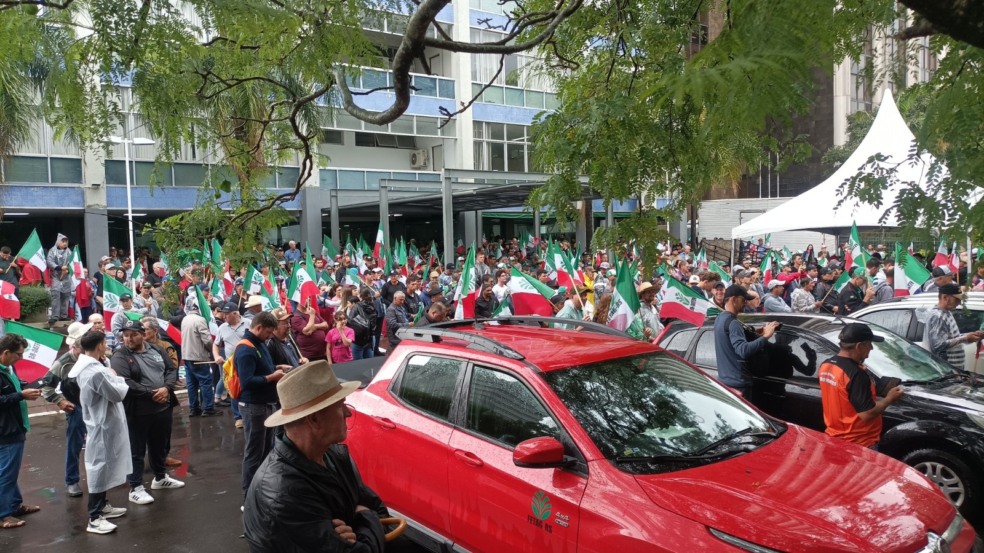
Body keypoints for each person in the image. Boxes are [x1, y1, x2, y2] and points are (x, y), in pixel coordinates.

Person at [243, 360, 384, 553]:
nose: (348, 413)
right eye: (340, 405)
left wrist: (361, 521)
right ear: (315, 419)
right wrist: (365, 517)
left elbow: (378, 508)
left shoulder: (332, 454)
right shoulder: (283, 492)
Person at [110, 320, 184, 506]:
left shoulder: (156, 350)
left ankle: (160, 477)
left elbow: (171, 369)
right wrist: (151, 394)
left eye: (133, 334)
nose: (128, 339)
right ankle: (135, 487)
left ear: (143, 334)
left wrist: (166, 388)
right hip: (138, 411)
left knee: (159, 445)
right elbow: (125, 381)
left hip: (162, 407)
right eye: (125, 335)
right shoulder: (120, 356)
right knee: (137, 450)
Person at [67, 330, 131, 534]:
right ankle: (94, 517)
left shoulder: (85, 365)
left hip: (101, 420)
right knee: (98, 466)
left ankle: (102, 506)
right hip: (102, 423)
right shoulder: (95, 371)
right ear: (100, 345)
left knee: (104, 464)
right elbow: (117, 393)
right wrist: (117, 378)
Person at [818, 323, 903, 449]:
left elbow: (843, 396)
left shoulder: (826, 365)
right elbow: (867, 414)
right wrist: (889, 398)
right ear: (859, 346)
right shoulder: (856, 374)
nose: (872, 348)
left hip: (834, 437)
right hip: (860, 443)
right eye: (869, 344)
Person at [236, 312, 289, 506]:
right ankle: (248, 498)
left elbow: (262, 368)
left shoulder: (259, 344)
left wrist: (276, 366)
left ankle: (263, 491)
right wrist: (271, 377)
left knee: (267, 450)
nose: (269, 336)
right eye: (268, 332)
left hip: (266, 404)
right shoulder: (245, 349)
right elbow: (247, 381)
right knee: (254, 453)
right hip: (253, 407)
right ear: (258, 327)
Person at [40, 322, 90, 498]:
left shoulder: (96, 355)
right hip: (77, 407)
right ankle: (72, 480)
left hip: (97, 406)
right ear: (75, 347)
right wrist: (60, 401)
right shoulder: (62, 363)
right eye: (83, 349)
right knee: (75, 445)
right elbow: (46, 387)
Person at [0, 334, 42, 530]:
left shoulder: (8, 367)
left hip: (15, 427)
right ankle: (3, 515)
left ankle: (14, 505)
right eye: (18, 354)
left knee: (10, 471)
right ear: (6, 352)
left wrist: (25, 388)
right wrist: (20, 395)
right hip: (6, 431)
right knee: (6, 474)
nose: (21, 358)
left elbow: (13, 387)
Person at [713, 285, 779, 396]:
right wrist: (766, 336)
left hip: (726, 381)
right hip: (739, 384)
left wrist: (757, 334)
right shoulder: (733, 323)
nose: (745, 303)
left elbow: (730, 343)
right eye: (743, 300)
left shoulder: (719, 318)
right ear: (734, 299)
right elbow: (743, 350)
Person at [925, 283, 984, 369]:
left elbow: (952, 338)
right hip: (945, 369)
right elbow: (938, 345)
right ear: (945, 297)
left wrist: (971, 335)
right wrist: (965, 338)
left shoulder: (947, 313)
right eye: (957, 299)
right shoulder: (937, 316)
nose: (959, 303)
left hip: (954, 369)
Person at [180, 302, 218, 417]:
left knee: (192, 384)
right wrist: (213, 350)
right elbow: (207, 340)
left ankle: (194, 408)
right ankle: (208, 408)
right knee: (205, 382)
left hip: (187, 355)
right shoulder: (200, 320)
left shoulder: (185, 319)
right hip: (198, 356)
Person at [213, 303, 247, 426]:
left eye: (227, 314)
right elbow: (216, 344)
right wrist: (217, 356)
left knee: (248, 387)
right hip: (231, 364)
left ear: (235, 314)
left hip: (248, 362)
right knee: (234, 389)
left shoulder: (249, 323)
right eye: (224, 314)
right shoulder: (222, 327)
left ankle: (249, 414)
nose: (224, 316)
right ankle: (238, 417)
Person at [46, 234, 73, 328]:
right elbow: (49, 262)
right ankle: (55, 316)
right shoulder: (52, 251)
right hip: (56, 276)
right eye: (63, 241)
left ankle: (63, 315)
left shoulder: (69, 251)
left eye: (66, 241)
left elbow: (73, 262)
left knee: (66, 296)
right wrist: (59, 268)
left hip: (66, 277)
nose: (65, 243)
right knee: (56, 295)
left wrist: (67, 269)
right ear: (58, 241)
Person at [347, 289, 377, 360]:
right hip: (370, 337)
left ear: (360, 296)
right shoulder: (373, 306)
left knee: (358, 364)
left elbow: (350, 321)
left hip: (358, 338)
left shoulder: (356, 306)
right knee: (369, 364)